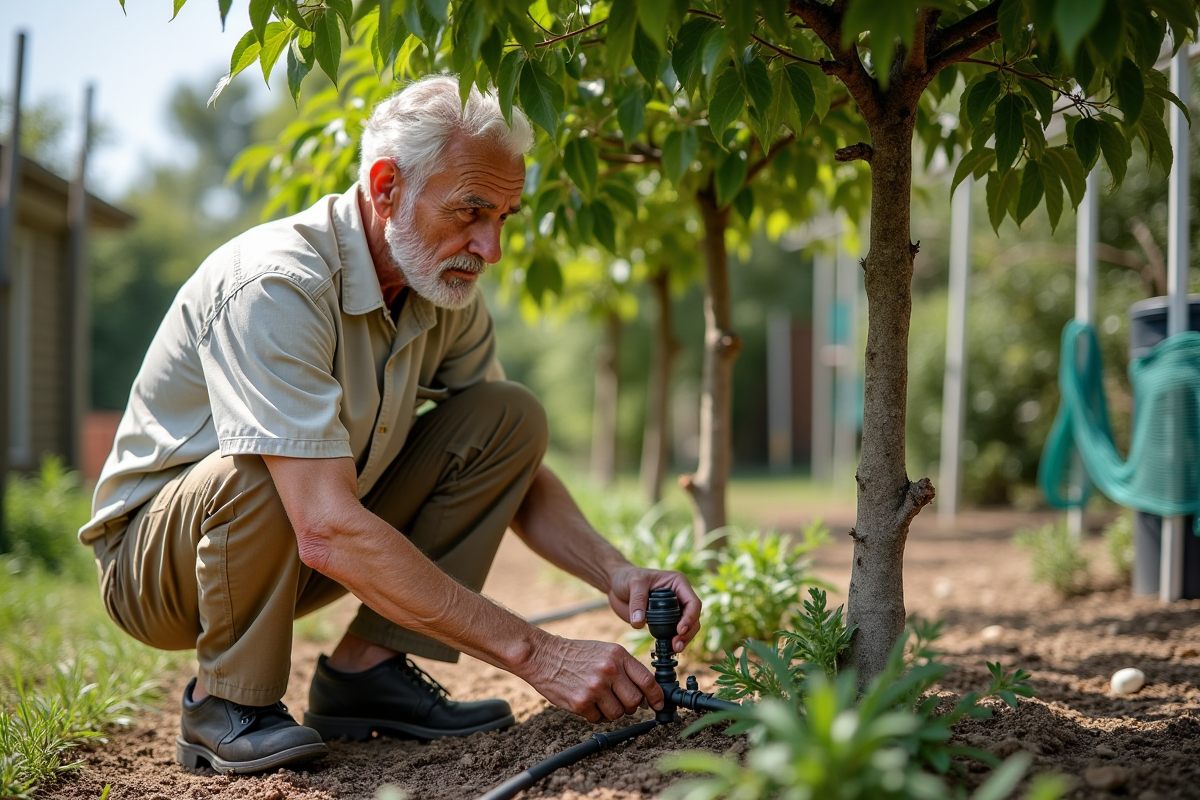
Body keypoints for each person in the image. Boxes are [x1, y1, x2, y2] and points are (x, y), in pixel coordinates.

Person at [80, 76, 701, 776]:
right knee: (263, 459)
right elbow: (324, 526)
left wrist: (616, 572)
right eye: (470, 211)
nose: (490, 247)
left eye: (504, 216)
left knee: (511, 417)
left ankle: (367, 672)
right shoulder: (276, 286)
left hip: (300, 544)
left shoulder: (443, 291)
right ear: (385, 187)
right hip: (162, 570)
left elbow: (510, 464)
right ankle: (226, 702)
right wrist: (539, 653)